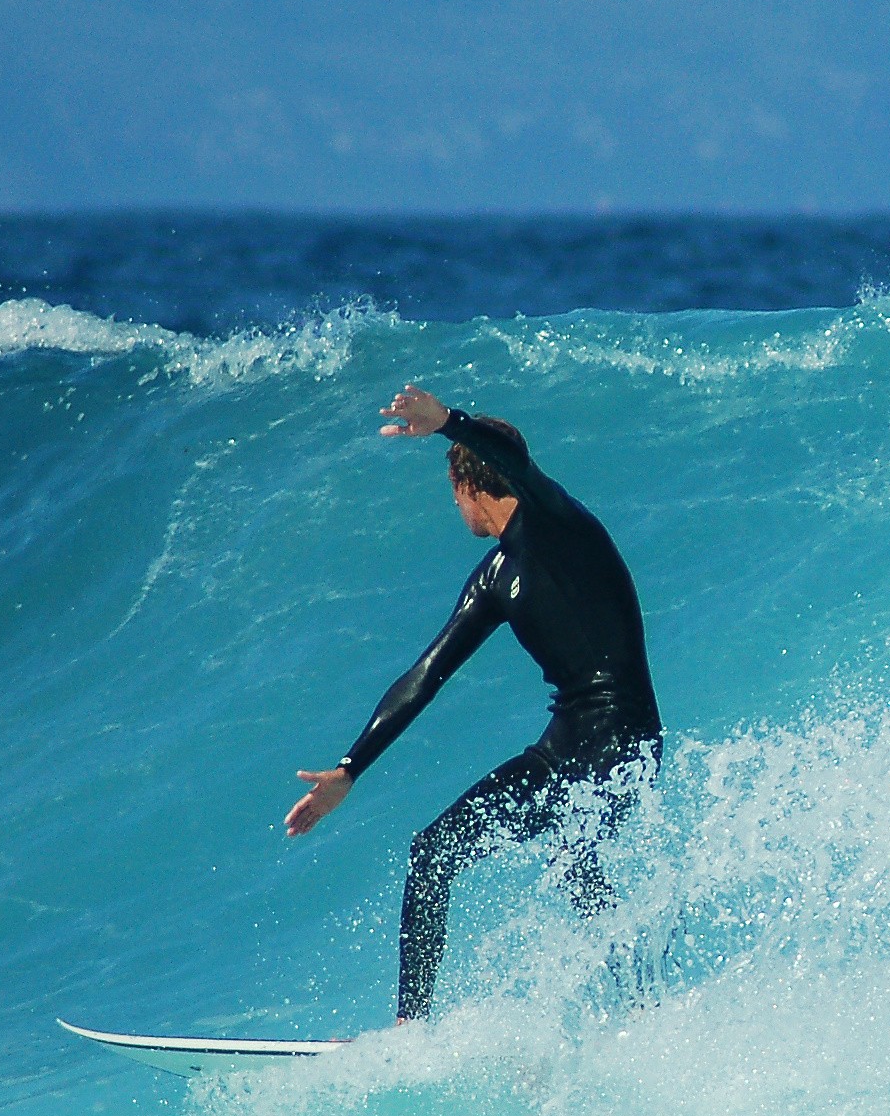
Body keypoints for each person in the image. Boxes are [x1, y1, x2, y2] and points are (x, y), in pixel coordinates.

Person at [284, 386, 662, 1023]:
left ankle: (416, 1029)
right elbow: (424, 676)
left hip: (609, 739)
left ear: (466, 486)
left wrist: (447, 424)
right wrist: (349, 769)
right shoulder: (494, 578)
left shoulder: (556, 522)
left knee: (482, 855)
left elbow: (514, 460)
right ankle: (643, 1009)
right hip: (597, 743)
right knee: (551, 857)